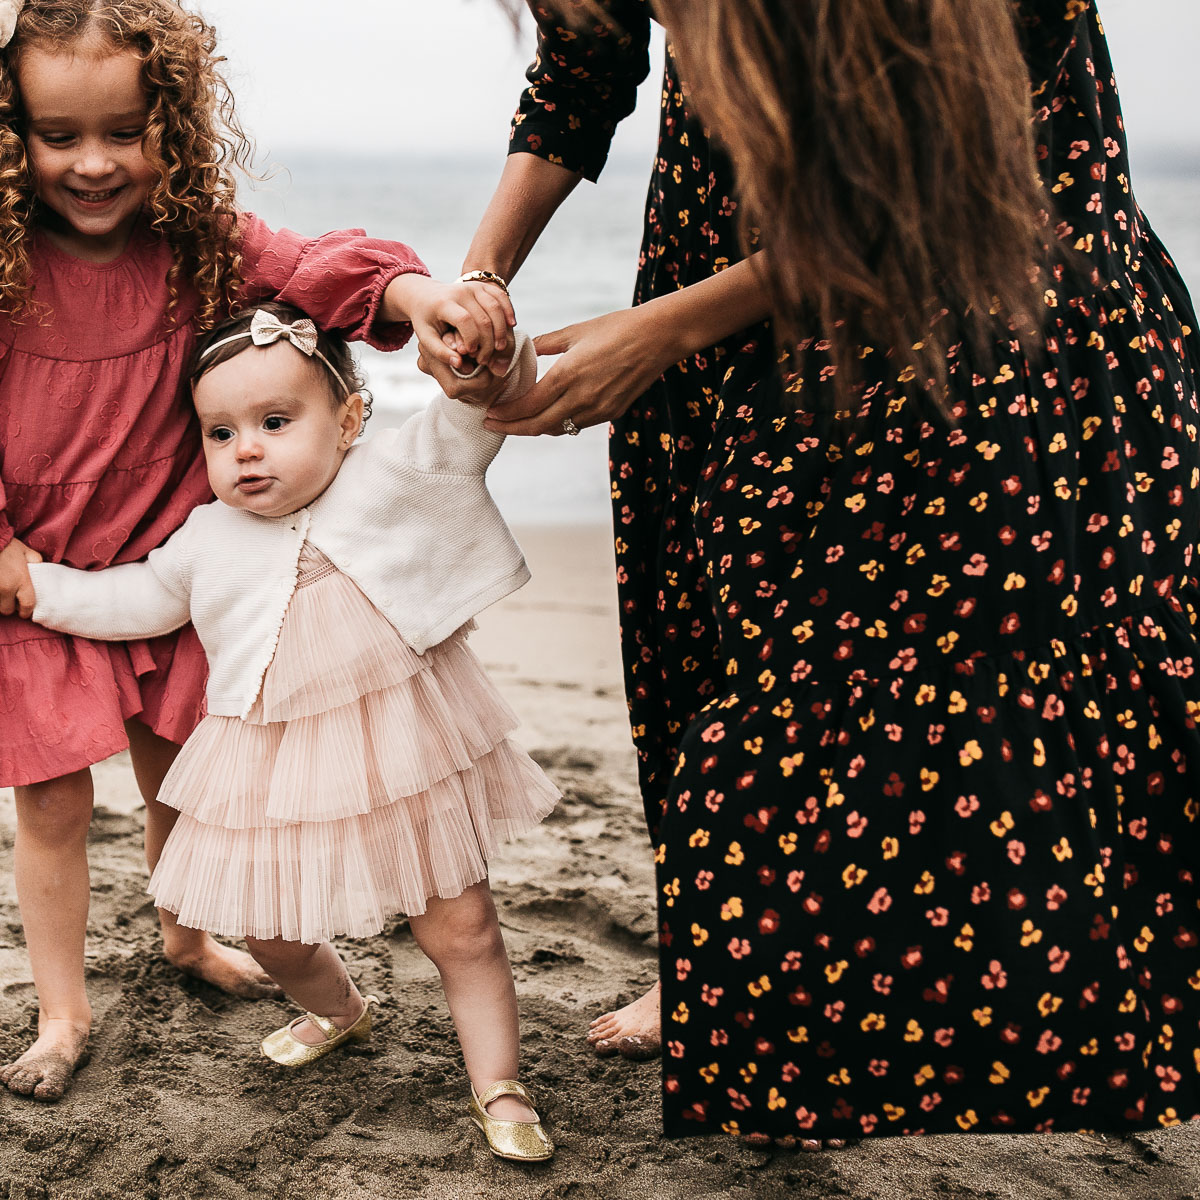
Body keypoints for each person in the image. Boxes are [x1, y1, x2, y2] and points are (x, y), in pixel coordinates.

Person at [445, 0, 1200, 1140]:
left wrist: (666, 332)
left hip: (975, 297)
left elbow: (936, 188)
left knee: (942, 689)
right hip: (731, 255)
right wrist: (483, 281)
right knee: (716, 638)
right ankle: (728, 977)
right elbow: (583, 65)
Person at [0, 0, 511, 1103]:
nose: (93, 162)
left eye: (124, 130)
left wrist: (412, 294)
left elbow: (317, 268)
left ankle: (185, 931)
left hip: (166, 560)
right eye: (58, 134)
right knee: (55, 805)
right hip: (34, 577)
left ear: (169, 119)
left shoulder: (203, 243)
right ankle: (62, 1009)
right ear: (2, 132)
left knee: (190, 776)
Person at [21, 302, 561, 1160]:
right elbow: (135, 601)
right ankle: (340, 1009)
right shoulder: (207, 537)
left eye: (275, 422)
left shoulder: (393, 471)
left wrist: (484, 346)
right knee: (270, 928)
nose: (248, 450)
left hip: (405, 747)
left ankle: (498, 1082)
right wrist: (36, 588)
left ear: (347, 419)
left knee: (461, 927)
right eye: (221, 433)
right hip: (271, 762)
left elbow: (475, 409)